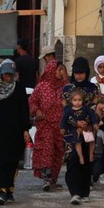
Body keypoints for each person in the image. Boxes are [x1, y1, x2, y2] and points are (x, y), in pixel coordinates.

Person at [0, 59, 31, 205]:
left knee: (11, 161)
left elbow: (24, 110)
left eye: (10, 74)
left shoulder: (19, 88)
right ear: (1, 74)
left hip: (14, 132)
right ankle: (0, 191)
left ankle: (9, 190)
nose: (8, 77)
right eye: (6, 74)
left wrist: (25, 129)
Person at [62, 57, 99, 204]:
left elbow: (94, 109)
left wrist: (86, 123)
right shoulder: (67, 89)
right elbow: (65, 110)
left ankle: (85, 192)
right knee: (73, 160)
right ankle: (75, 193)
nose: (79, 76)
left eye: (82, 72)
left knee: (88, 160)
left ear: (87, 72)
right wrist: (76, 123)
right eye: (76, 72)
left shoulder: (93, 88)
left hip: (88, 130)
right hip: (71, 132)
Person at [28, 60, 68, 191]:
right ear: (51, 71)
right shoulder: (41, 87)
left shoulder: (65, 87)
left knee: (58, 151)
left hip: (60, 126)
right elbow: (32, 102)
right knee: (47, 148)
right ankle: (46, 178)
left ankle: (53, 180)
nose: (61, 72)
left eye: (62, 70)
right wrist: (37, 111)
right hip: (45, 124)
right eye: (59, 70)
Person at [61, 90, 98, 165]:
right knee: (77, 142)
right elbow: (64, 119)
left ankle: (91, 154)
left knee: (91, 139)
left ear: (83, 100)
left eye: (79, 100)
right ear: (71, 101)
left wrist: (95, 124)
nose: (77, 102)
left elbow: (92, 115)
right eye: (75, 100)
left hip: (85, 126)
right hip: (74, 128)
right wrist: (62, 128)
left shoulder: (85, 108)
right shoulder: (69, 110)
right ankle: (81, 157)